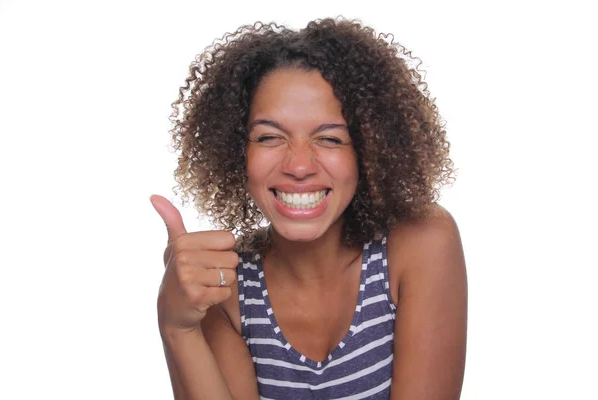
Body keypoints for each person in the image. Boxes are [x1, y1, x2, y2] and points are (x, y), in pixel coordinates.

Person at [150, 17, 467, 400]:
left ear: (369, 151)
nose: (299, 166)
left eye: (331, 139)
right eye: (269, 136)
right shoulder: (225, 286)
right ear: (238, 152)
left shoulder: (420, 245)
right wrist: (177, 326)